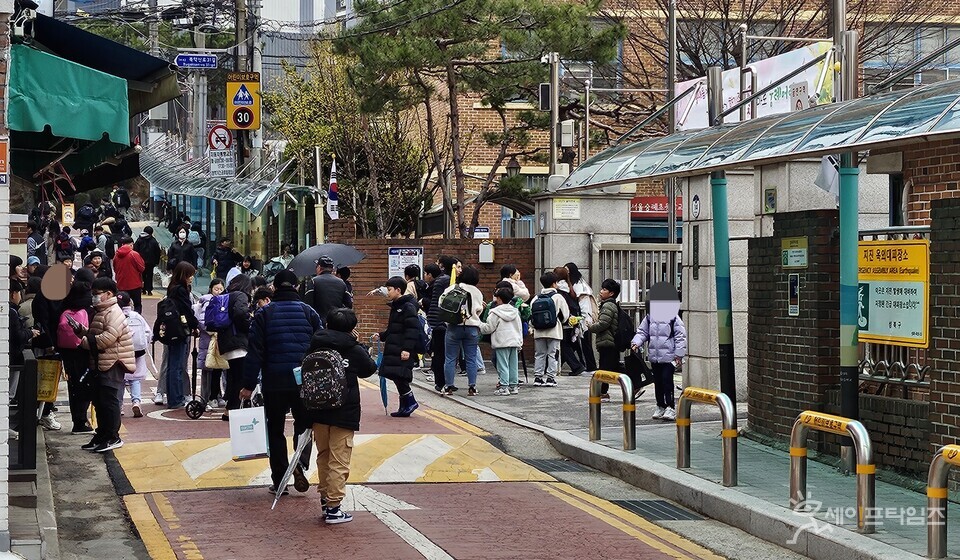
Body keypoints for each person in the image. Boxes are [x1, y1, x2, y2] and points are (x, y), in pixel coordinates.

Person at [241, 270, 322, 495]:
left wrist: (248, 385)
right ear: (296, 287)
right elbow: (320, 344)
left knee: (275, 429)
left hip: (274, 381)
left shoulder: (263, 313)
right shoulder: (309, 312)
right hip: (302, 381)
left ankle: (280, 480)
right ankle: (300, 463)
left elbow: (254, 352)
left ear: (274, 288)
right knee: (304, 425)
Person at [305, 308, 377, 524]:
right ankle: (334, 508)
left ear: (327, 325)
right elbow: (369, 369)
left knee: (323, 455)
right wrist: (360, 345)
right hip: (344, 411)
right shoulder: (353, 349)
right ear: (352, 329)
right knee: (339, 459)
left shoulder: (314, 345)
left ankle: (326, 499)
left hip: (317, 410)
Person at [75, 277, 135, 453]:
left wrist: (84, 342)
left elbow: (107, 339)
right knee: (100, 401)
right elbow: (96, 334)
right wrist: (81, 332)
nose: (93, 297)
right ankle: (102, 434)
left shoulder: (113, 313)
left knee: (109, 401)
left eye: (96, 294)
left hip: (112, 363)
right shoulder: (102, 311)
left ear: (109, 294)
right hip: (101, 363)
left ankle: (112, 436)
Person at [631, 294, 687, 421]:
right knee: (658, 382)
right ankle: (660, 405)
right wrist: (636, 342)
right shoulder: (650, 317)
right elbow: (642, 332)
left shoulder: (673, 318)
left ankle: (670, 407)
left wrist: (678, 354)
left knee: (667, 381)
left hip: (669, 357)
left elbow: (680, 336)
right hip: (655, 357)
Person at [375, 276, 422, 416]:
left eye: (389, 289)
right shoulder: (397, 306)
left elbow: (412, 329)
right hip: (395, 346)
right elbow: (393, 328)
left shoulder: (407, 307)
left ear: (398, 290)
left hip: (402, 348)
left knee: (400, 376)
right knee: (396, 375)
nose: (387, 292)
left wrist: (407, 349)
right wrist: (382, 335)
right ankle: (404, 407)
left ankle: (410, 402)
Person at [441, 265, 485, 396]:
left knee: (450, 358)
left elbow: (441, 303)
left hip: (454, 326)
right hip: (471, 328)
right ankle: (472, 387)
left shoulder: (452, 288)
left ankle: (449, 386)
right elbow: (479, 310)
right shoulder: (477, 292)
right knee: (471, 358)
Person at [58, 280, 94, 433]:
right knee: (84, 385)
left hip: (67, 351)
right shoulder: (88, 309)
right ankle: (81, 422)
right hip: (82, 351)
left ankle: (77, 421)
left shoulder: (65, 306)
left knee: (73, 385)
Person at [164, 262, 200, 409]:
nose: (191, 278)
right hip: (180, 329)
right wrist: (195, 325)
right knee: (177, 365)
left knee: (172, 365)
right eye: (190, 275)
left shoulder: (172, 288)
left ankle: (173, 397)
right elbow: (187, 310)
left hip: (172, 329)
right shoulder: (181, 290)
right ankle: (176, 399)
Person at [218, 274, 253, 420]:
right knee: (240, 377)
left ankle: (230, 409)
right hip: (237, 341)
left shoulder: (228, 295)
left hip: (227, 341)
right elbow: (240, 313)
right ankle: (232, 409)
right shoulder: (241, 296)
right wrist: (248, 323)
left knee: (233, 376)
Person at [588, 279, 629, 402]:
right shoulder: (610, 304)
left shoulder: (608, 305)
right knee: (613, 367)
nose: (601, 291)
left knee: (605, 369)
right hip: (609, 342)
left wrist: (590, 326)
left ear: (611, 293)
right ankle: (634, 382)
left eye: (604, 289)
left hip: (608, 342)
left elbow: (603, 324)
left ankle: (603, 393)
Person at [480, 287, 523, 395]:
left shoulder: (495, 313)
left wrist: (479, 324)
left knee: (502, 365)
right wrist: (520, 341)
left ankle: (504, 387)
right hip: (514, 341)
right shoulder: (515, 312)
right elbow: (519, 328)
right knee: (513, 364)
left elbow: (489, 328)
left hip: (501, 342)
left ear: (498, 298)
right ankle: (513, 386)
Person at [531, 271, 569, 387]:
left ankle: (538, 377)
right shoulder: (558, 297)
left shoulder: (536, 297)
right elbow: (565, 315)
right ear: (554, 284)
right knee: (553, 354)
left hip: (538, 331)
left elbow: (531, 314)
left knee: (539, 354)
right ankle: (550, 378)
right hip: (554, 331)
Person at [117, 292, 151, 418]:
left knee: (120, 380)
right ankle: (136, 402)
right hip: (137, 352)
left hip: (121, 352)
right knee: (135, 379)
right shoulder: (137, 316)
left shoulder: (116, 316)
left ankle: (119, 406)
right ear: (130, 303)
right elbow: (148, 332)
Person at [426, 256, 456, 392]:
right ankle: (442, 382)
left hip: (437, 321)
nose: (460, 269)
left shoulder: (441, 280)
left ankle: (443, 382)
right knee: (442, 353)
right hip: (441, 322)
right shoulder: (446, 280)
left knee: (441, 353)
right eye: (458, 267)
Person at [195, 279, 227, 408]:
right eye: (216, 289)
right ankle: (206, 397)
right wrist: (214, 330)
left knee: (217, 369)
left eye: (221, 289)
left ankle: (216, 395)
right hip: (208, 341)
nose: (218, 292)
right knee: (208, 369)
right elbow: (203, 321)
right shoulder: (207, 301)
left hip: (217, 341)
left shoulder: (224, 301)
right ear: (211, 289)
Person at [566, 262, 598, 372]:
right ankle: (585, 365)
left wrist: (582, 319)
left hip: (583, 318)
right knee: (581, 343)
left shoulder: (577, 286)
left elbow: (582, 305)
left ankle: (587, 366)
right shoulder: (581, 282)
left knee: (583, 344)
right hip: (584, 317)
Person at [553, 266, 585, 377]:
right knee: (566, 344)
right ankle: (557, 366)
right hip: (573, 321)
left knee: (563, 345)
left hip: (564, 322)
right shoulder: (569, 288)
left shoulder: (558, 290)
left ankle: (577, 366)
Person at [306, 256, 350, 320]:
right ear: (332, 269)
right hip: (336, 323)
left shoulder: (313, 281)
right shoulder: (341, 283)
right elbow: (348, 304)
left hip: (318, 323)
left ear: (319, 267)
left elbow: (308, 305)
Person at [113, 236, 145, 313]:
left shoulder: (116, 255)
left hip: (121, 283)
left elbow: (115, 268)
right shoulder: (134, 254)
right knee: (137, 304)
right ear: (131, 244)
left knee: (122, 304)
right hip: (134, 284)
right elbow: (142, 268)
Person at [134, 226, 162, 296]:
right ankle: (149, 290)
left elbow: (135, 250)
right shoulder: (153, 241)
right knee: (149, 275)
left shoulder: (139, 240)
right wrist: (156, 261)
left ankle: (142, 289)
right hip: (151, 262)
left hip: (140, 261)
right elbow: (157, 252)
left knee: (141, 275)